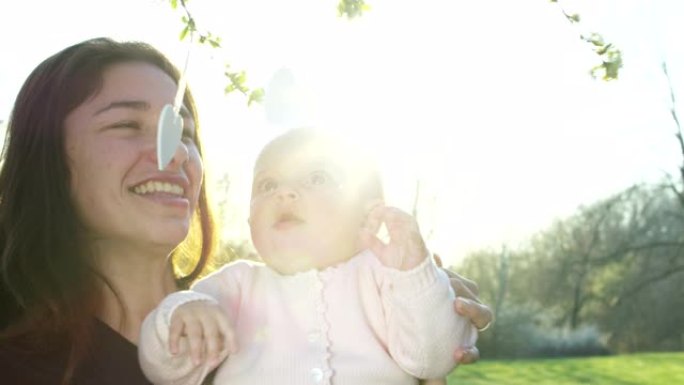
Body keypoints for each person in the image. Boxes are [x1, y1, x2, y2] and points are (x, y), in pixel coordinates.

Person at [0, 37, 491, 385]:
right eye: (127, 124)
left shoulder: (258, 315)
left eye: (184, 132)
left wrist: (420, 290)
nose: (173, 154)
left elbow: (425, 343)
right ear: (49, 161)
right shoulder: (18, 365)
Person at [138, 128, 477, 385]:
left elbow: (432, 359)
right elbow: (167, 372)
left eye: (317, 178)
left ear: (369, 214)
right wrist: (180, 313)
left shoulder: (385, 277)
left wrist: (415, 274)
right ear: (249, 222)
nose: (285, 193)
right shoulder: (236, 286)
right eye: (267, 186)